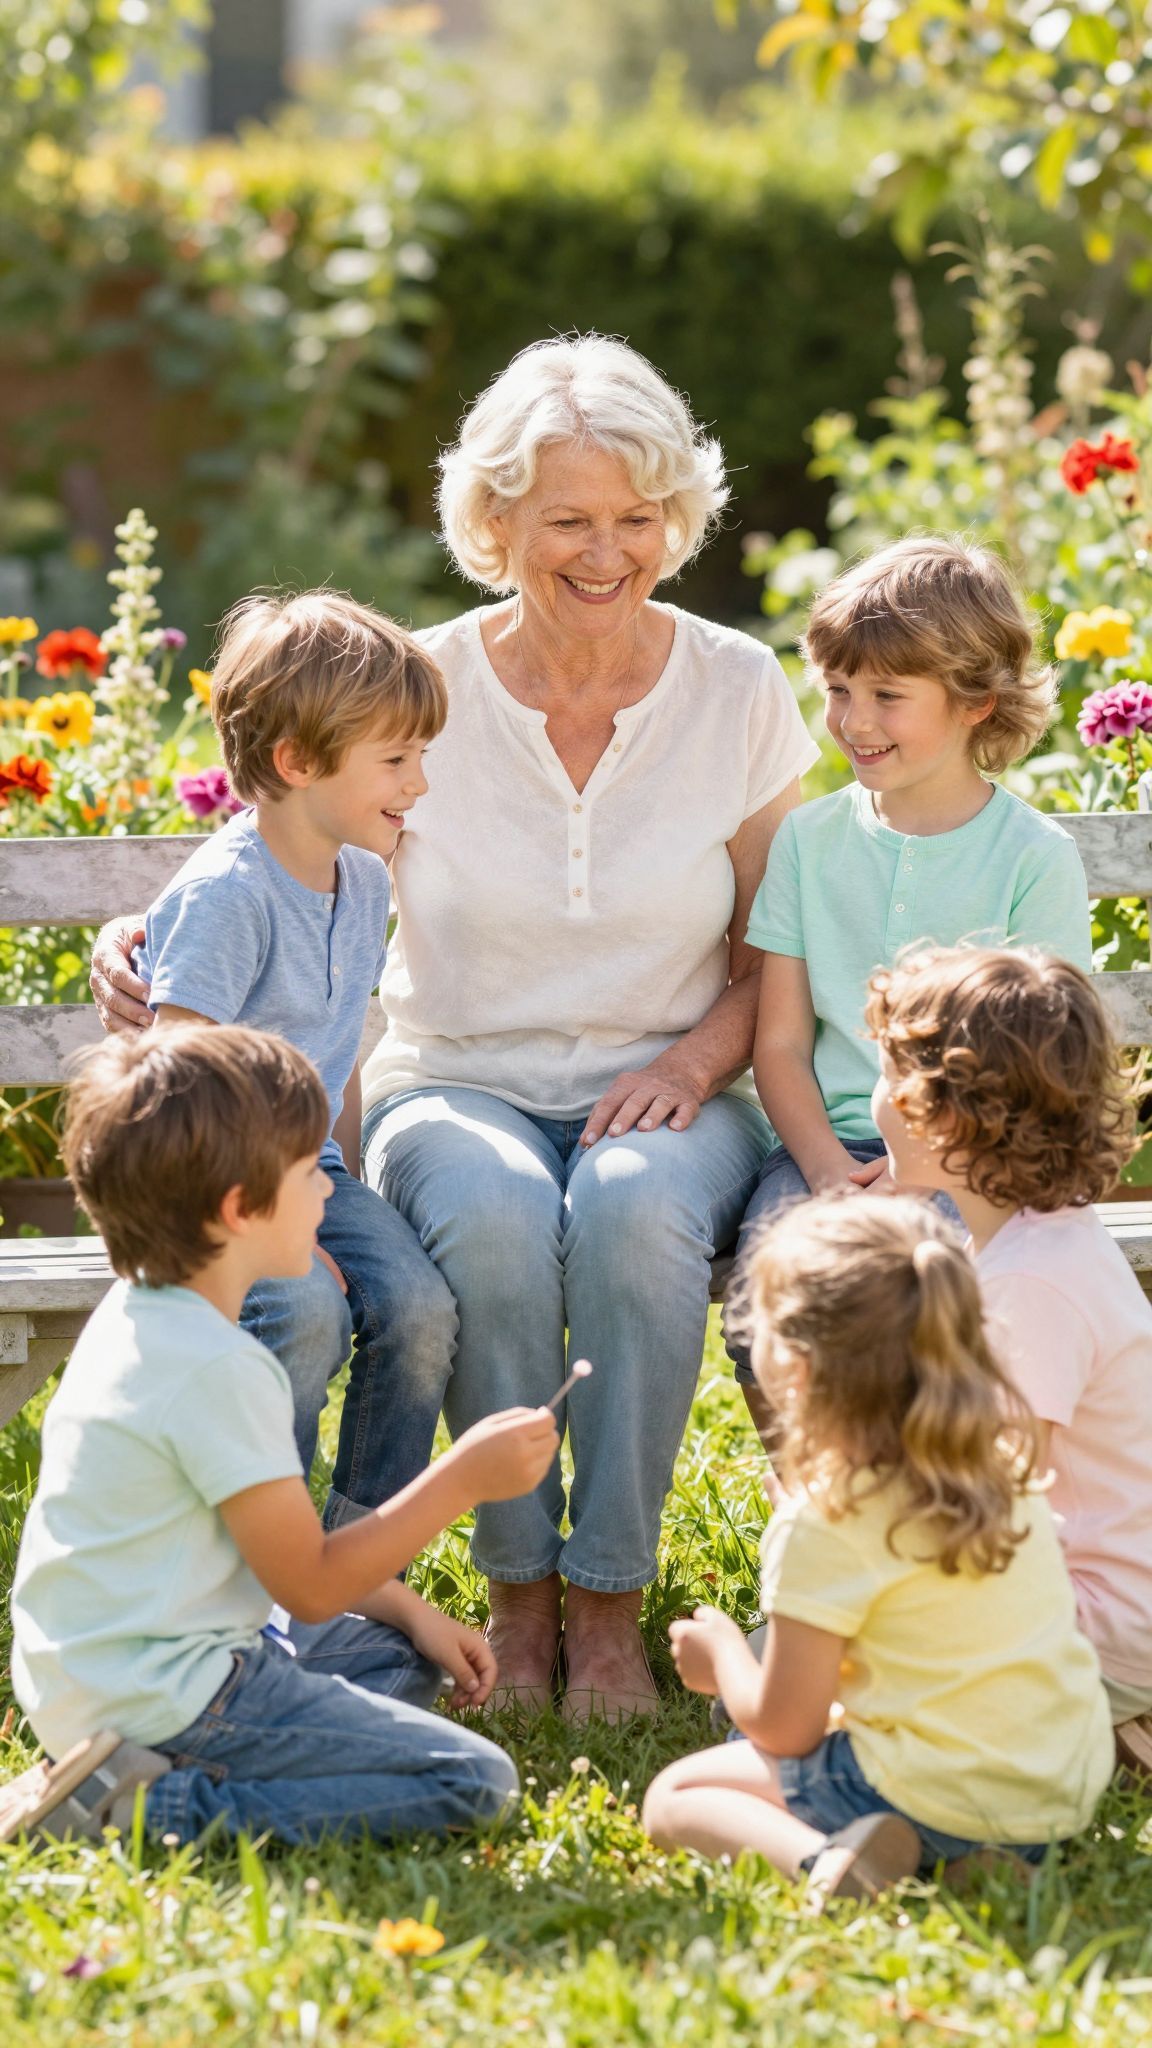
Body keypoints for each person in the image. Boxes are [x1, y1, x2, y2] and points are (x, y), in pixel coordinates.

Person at [90, 334, 821, 1720]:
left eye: (637, 517)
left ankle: (606, 1601)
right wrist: (135, 936)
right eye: (568, 521)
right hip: (456, 1077)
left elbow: (763, 957)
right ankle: (509, 1598)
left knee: (627, 1208)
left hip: (676, 1082)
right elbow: (268, 834)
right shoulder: (415, 686)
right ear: (495, 524)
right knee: (485, 1214)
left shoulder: (738, 688)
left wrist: (683, 1065)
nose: (608, 552)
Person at [1, 1026, 557, 1847]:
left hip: (86, 1680)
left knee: (406, 1657)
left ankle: (126, 1767)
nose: (329, 1194)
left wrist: (410, 1608)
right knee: (475, 1781)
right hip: (172, 1694)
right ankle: (147, 1813)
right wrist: (463, 1480)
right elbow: (309, 1587)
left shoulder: (138, 1317)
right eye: (310, 1175)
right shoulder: (219, 1368)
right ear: (238, 1209)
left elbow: (273, 1550)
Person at [642, 1195, 1113, 1904]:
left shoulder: (828, 1520)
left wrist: (724, 1662)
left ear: (794, 1370)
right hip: (1051, 1791)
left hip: (934, 1787)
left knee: (677, 1797)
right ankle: (968, 1862)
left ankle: (828, 1864)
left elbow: (787, 1727)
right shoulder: (1000, 1471)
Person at [723, 535, 1092, 1437]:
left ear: (977, 702)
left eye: (889, 695)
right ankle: (821, 1514)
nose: (854, 720)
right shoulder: (810, 842)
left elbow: (1046, 1067)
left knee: (938, 1307)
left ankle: (934, 1509)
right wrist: (822, 1169)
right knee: (767, 1302)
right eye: (839, 690)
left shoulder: (1033, 857)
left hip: (978, 1158)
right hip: (826, 1146)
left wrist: (921, 1170)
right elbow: (778, 1045)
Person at [137, 591, 458, 1525]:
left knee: (421, 1312)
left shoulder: (361, 875)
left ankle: (360, 1553)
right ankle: (259, 1554)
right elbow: (179, 1083)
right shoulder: (228, 897)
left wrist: (342, 1190)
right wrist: (283, 1225)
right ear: (297, 762)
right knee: (306, 1313)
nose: (419, 783)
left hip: (311, 1172)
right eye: (397, 760)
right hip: (219, 1183)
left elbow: (337, 1048)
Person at [867, 943, 1152, 1777]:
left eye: (888, 1076)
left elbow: (978, 1502)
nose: (876, 1098)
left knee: (826, 1681)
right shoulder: (1043, 1242)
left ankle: (1091, 1726)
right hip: (1104, 1599)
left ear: (946, 1111)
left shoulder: (1031, 1287)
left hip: (1100, 1624)